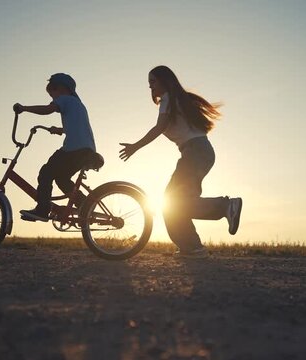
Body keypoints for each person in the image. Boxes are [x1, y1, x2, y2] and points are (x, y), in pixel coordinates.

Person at [119, 65, 242, 257]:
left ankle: (225, 207)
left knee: (171, 202)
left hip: (195, 152)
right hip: (200, 152)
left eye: (153, 82)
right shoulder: (179, 100)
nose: (150, 87)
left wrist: (135, 146)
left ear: (164, 81)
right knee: (178, 202)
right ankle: (192, 248)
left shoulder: (168, 99)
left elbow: (159, 128)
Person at [14, 73, 97, 222]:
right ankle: (85, 205)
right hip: (86, 150)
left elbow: (47, 109)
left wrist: (24, 108)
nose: (52, 98)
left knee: (46, 173)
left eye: (52, 93)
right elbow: (76, 126)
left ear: (61, 88)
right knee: (62, 178)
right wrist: (59, 130)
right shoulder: (78, 104)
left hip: (73, 149)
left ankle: (42, 210)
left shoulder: (65, 99)